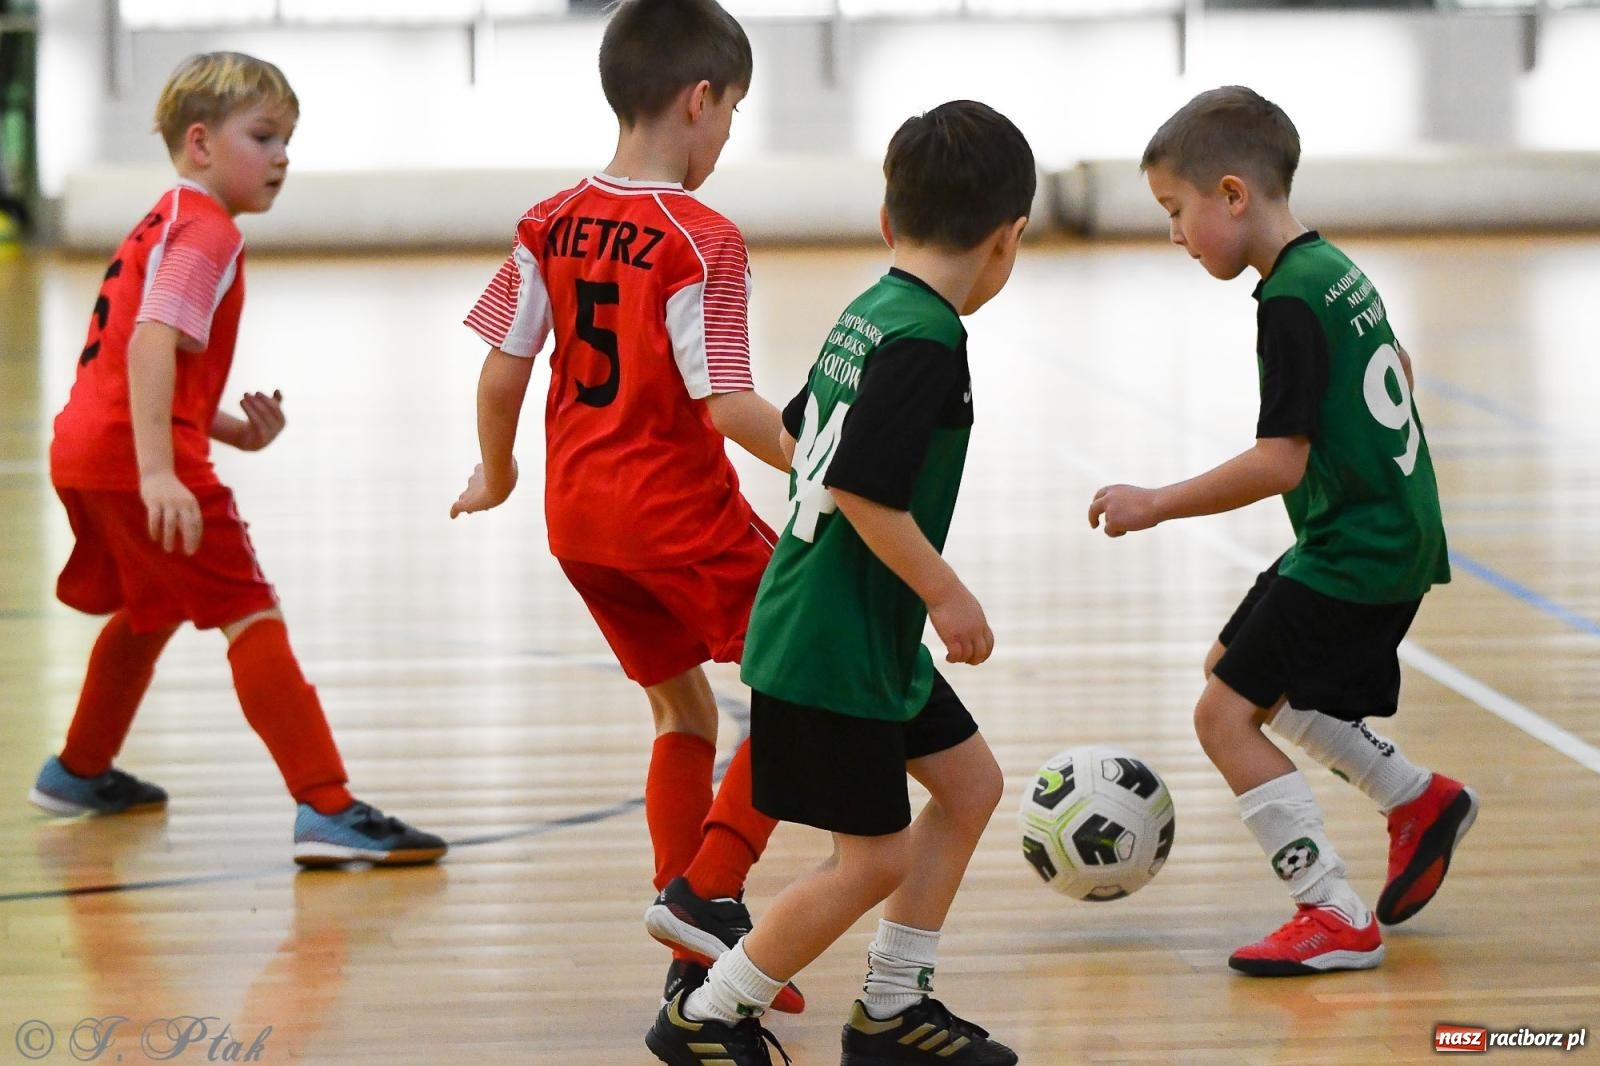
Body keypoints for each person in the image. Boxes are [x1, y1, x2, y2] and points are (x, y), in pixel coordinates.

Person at [645, 100, 1034, 1066]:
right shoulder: (927, 340)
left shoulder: (871, 311)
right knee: (872, 858)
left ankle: (893, 1007)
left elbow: (796, 432)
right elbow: (860, 482)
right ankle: (706, 1014)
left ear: (887, 221)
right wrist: (946, 591)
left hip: (854, 630)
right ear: (1009, 239)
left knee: (971, 784)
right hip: (834, 644)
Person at [450, 0, 803, 1013]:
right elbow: (728, 401)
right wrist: (819, 464)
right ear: (700, 99)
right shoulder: (701, 237)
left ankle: (686, 941)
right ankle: (710, 884)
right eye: (732, 111)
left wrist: (497, 471)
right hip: (675, 517)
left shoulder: (548, 219)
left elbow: (500, 371)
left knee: (680, 705)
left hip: (579, 524)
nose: (728, 133)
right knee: (804, 677)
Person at [1088, 85, 1479, 975]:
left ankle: (1331, 912)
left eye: (1176, 211)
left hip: (1360, 547)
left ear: (1233, 195)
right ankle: (1415, 798)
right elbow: (1399, 370)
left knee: (1223, 718)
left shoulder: (1286, 302)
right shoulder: (1331, 269)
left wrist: (1156, 501)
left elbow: (1280, 461)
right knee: (1242, 677)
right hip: (1378, 529)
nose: (1176, 235)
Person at [32, 51, 446, 867]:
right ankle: (327, 805)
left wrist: (226, 428)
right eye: (263, 136)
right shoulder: (206, 231)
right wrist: (161, 470)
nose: (282, 156)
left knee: (149, 608)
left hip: (87, 446)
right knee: (249, 611)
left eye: (288, 139)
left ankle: (79, 768)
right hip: (133, 456)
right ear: (199, 143)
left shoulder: (165, 217)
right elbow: (153, 341)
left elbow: (145, 352)